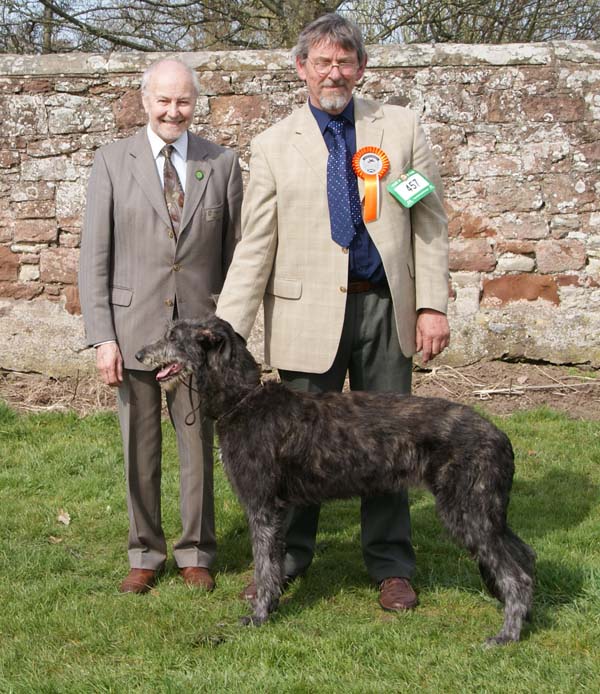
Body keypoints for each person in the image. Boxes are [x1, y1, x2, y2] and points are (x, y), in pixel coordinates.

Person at [216, 14, 450, 611]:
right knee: (293, 450)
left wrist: (431, 305)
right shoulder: (272, 144)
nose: (334, 73)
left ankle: (391, 564)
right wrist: (225, 330)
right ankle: (288, 559)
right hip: (304, 319)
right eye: (321, 62)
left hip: (384, 311)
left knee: (392, 443)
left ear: (362, 67)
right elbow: (256, 245)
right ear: (302, 69)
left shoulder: (400, 129)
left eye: (345, 62)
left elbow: (428, 222)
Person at [79, 58, 242, 594]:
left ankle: (197, 551)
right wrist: (103, 337)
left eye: (184, 101)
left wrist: (227, 335)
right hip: (135, 334)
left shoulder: (221, 164)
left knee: (198, 447)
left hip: (198, 340)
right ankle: (145, 554)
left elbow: (237, 256)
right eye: (164, 101)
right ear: (144, 101)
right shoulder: (111, 162)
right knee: (139, 448)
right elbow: (94, 258)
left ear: (197, 104)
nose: (174, 111)